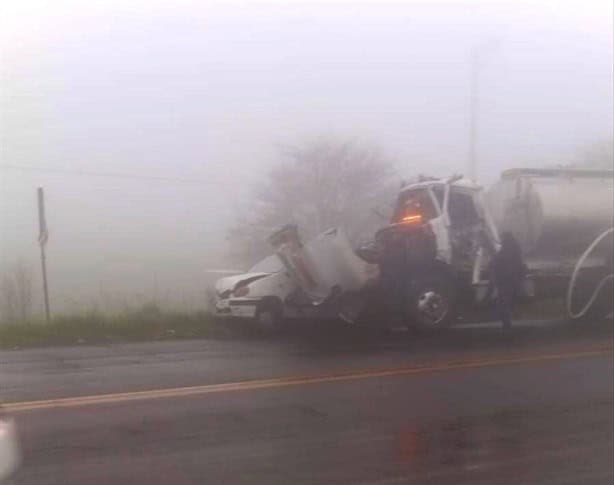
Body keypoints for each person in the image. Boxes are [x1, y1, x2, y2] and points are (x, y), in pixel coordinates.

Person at [490, 232, 526, 330]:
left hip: (505, 281)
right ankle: (508, 321)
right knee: (509, 301)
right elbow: (521, 266)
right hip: (513, 280)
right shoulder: (516, 249)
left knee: (504, 302)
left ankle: (507, 323)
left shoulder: (504, 251)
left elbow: (495, 263)